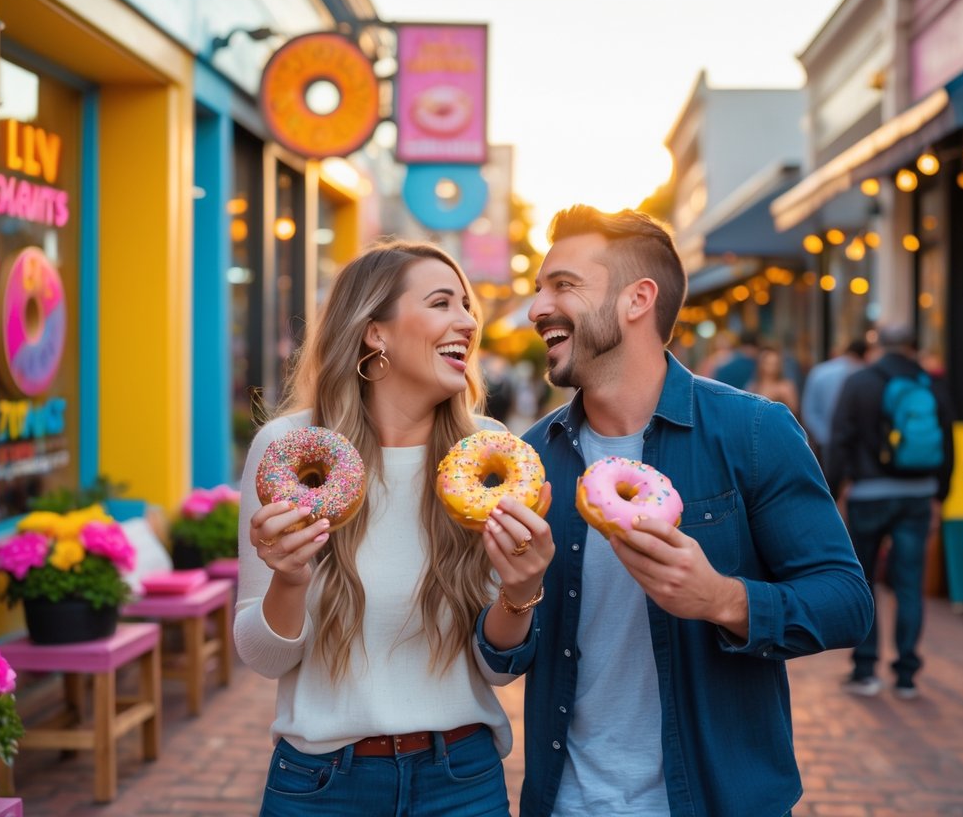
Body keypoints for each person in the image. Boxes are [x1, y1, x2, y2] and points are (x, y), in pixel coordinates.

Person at [476, 205, 873, 816]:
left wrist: (720, 598)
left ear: (638, 299)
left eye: (564, 285)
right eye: (538, 289)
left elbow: (846, 602)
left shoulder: (753, 433)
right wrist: (517, 592)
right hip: (566, 802)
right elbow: (506, 657)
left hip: (717, 799)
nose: (537, 309)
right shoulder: (533, 459)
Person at [235, 241, 545, 817]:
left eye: (466, 305)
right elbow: (262, 658)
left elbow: (498, 668)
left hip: (462, 779)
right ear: (375, 331)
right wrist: (290, 578)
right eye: (441, 303)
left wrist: (522, 591)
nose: (467, 321)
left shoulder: (484, 455)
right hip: (322, 784)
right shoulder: (289, 452)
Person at [825, 323, 954, 700]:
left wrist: (832, 491)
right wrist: (940, 495)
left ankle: (865, 670)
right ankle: (907, 673)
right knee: (909, 584)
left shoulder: (860, 382)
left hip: (868, 495)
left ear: (878, 345)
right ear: (913, 347)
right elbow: (949, 439)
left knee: (864, 581)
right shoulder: (930, 383)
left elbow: (839, 439)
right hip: (918, 495)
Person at [800, 338, 869, 456]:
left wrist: (824, 437)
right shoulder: (864, 374)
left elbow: (808, 411)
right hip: (857, 445)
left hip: (825, 442)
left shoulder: (819, 371)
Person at [748, 344, 800, 418]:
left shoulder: (785, 387)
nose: (771, 367)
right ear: (761, 364)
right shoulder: (752, 387)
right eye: (768, 363)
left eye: (775, 363)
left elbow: (794, 412)